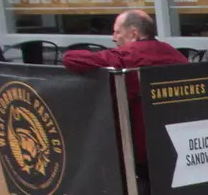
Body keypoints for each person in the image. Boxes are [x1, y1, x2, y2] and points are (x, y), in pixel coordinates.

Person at [63, 10, 185, 164]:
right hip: (177, 137)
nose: (114, 38)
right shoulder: (174, 54)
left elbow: (70, 59)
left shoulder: (126, 56)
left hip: (140, 143)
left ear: (133, 33)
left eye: (117, 32)